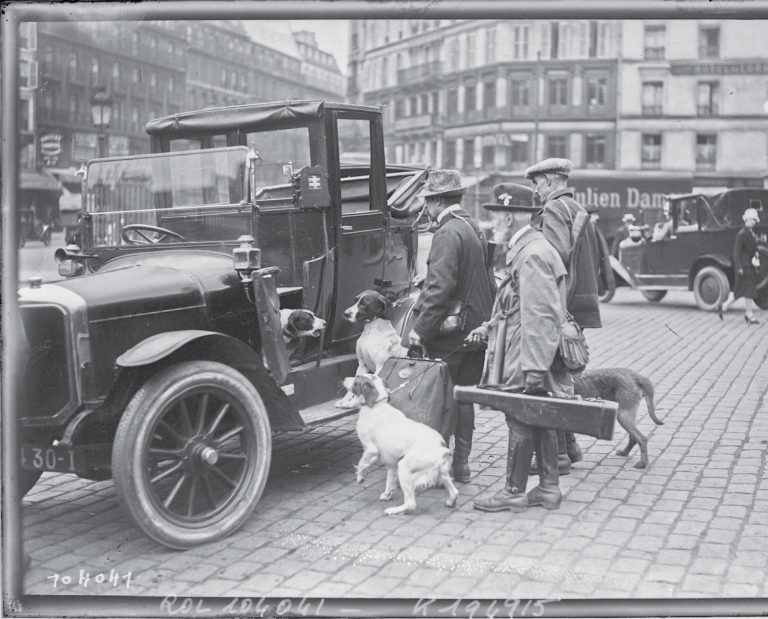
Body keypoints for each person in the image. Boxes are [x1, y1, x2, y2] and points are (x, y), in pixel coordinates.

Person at [467, 183, 571, 512]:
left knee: (520, 416)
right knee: (539, 417)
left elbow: (540, 316)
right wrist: (491, 325)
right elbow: (518, 303)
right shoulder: (530, 249)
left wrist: (535, 368)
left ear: (509, 216)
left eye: (496, 215)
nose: (493, 221)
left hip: (528, 352)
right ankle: (549, 488)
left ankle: (514, 491)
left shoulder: (532, 253)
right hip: (524, 347)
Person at [405, 169, 495, 483]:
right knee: (465, 396)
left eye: (427, 203)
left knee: (439, 400)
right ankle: (462, 466)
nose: (425, 210)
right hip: (476, 328)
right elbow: (475, 275)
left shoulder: (446, 232)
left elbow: (441, 288)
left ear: (438, 200)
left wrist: (421, 329)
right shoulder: (471, 226)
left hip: (451, 333)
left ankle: (434, 467)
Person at [525, 158, 602, 472]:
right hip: (576, 304)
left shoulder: (555, 209)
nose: (535, 191)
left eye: (536, 184)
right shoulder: (575, 207)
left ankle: (556, 457)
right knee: (563, 377)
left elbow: (554, 257)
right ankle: (570, 448)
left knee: (553, 380)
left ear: (548, 181)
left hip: (559, 305)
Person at [717, 208, 762, 324]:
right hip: (744, 268)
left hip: (748, 267)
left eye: (755, 220)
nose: (755, 222)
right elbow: (736, 252)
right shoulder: (742, 234)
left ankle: (724, 307)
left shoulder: (750, 233)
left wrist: (756, 252)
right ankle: (749, 314)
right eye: (753, 219)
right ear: (746, 220)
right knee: (747, 290)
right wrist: (739, 268)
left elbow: (752, 248)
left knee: (741, 292)